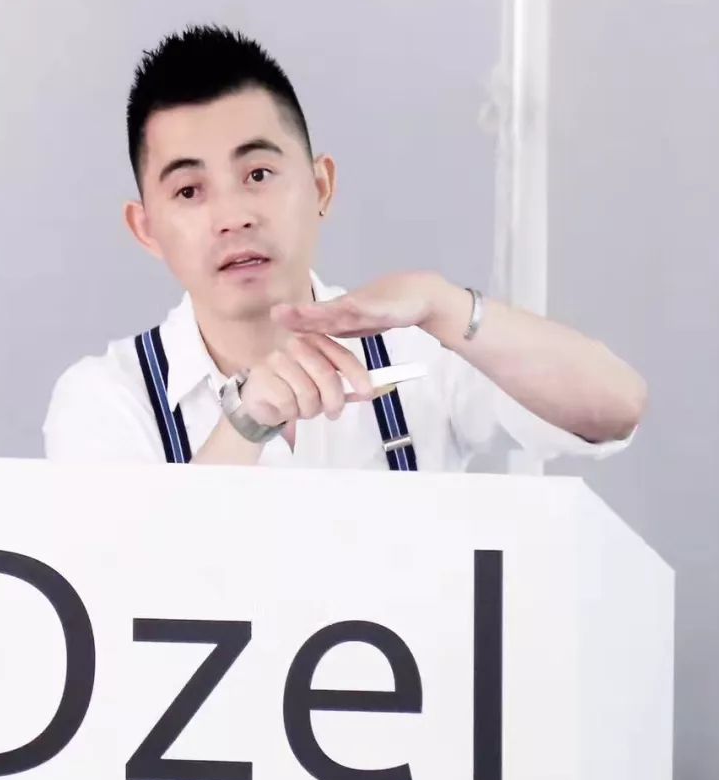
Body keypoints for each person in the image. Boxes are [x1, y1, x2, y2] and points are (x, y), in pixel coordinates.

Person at [43, 25, 646, 471]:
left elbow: (616, 405)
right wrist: (245, 422)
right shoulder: (107, 397)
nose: (233, 217)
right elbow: (123, 581)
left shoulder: (416, 351)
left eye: (258, 174)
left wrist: (444, 305)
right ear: (147, 229)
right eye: (189, 190)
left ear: (321, 186)